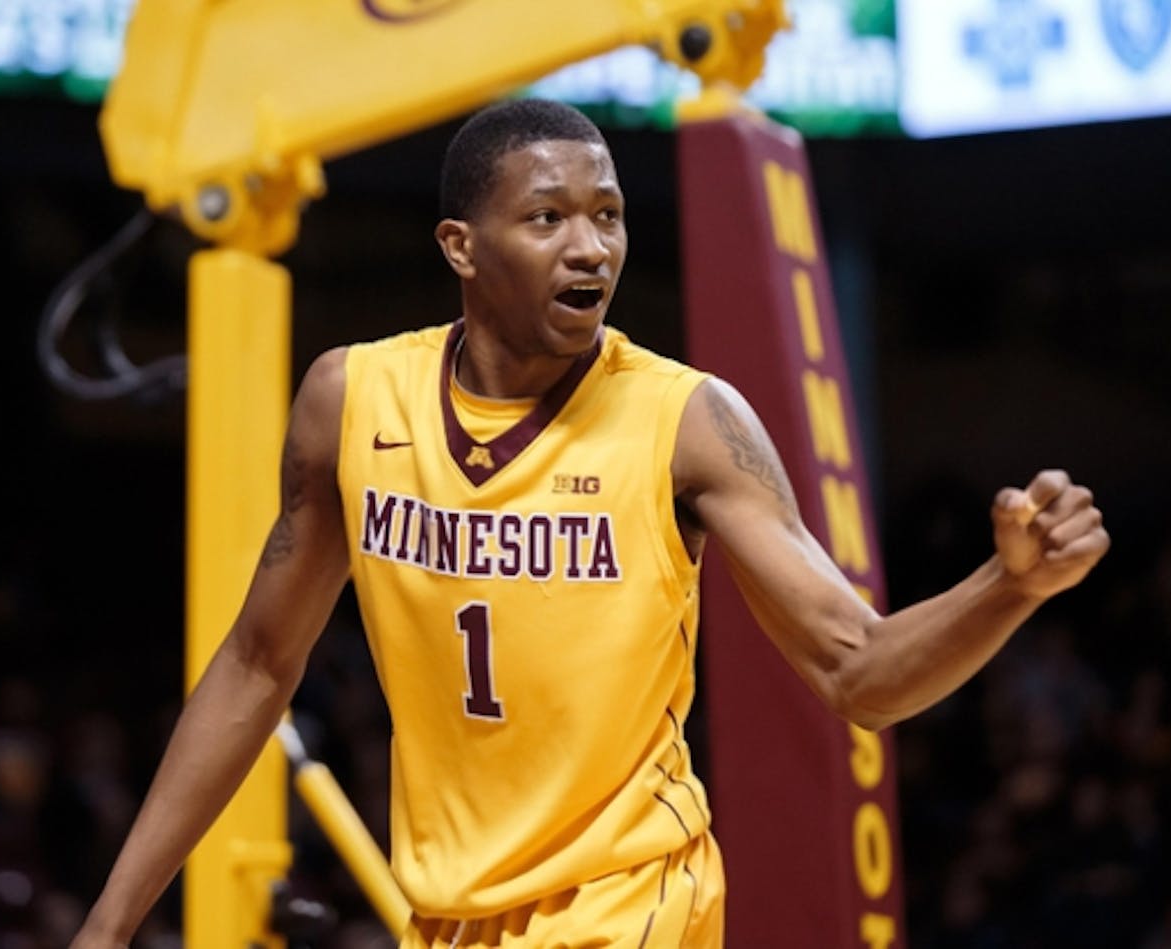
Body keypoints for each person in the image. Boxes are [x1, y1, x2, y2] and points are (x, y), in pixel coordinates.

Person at [70, 99, 1109, 948]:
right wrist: (110, 924)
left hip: (631, 901)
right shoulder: (350, 402)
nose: (590, 247)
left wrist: (1007, 586)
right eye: (548, 218)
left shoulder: (687, 422)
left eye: (607, 215)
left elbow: (860, 673)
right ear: (460, 246)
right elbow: (257, 661)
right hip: (452, 916)